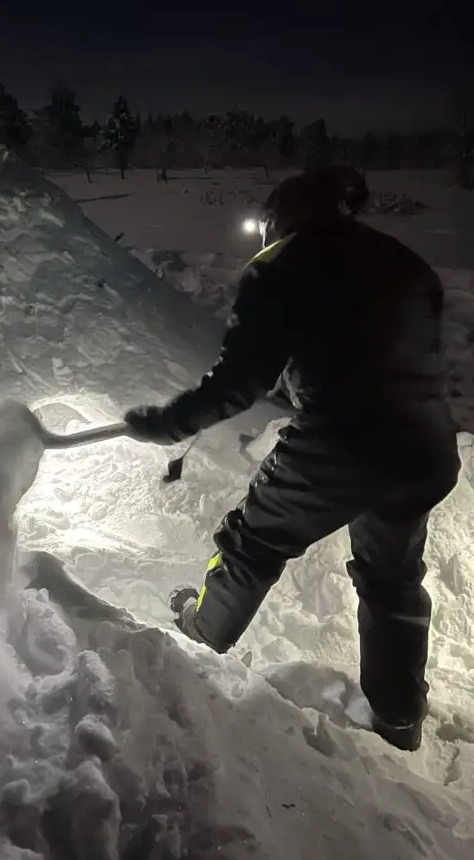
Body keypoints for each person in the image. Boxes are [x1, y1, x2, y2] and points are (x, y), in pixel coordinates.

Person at [125, 166, 460, 751]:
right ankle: (400, 716)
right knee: (391, 580)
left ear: (281, 219)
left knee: (253, 540)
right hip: (425, 447)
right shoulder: (407, 264)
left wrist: (169, 422)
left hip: (343, 441)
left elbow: (243, 376)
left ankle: (199, 637)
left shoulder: (283, 263)